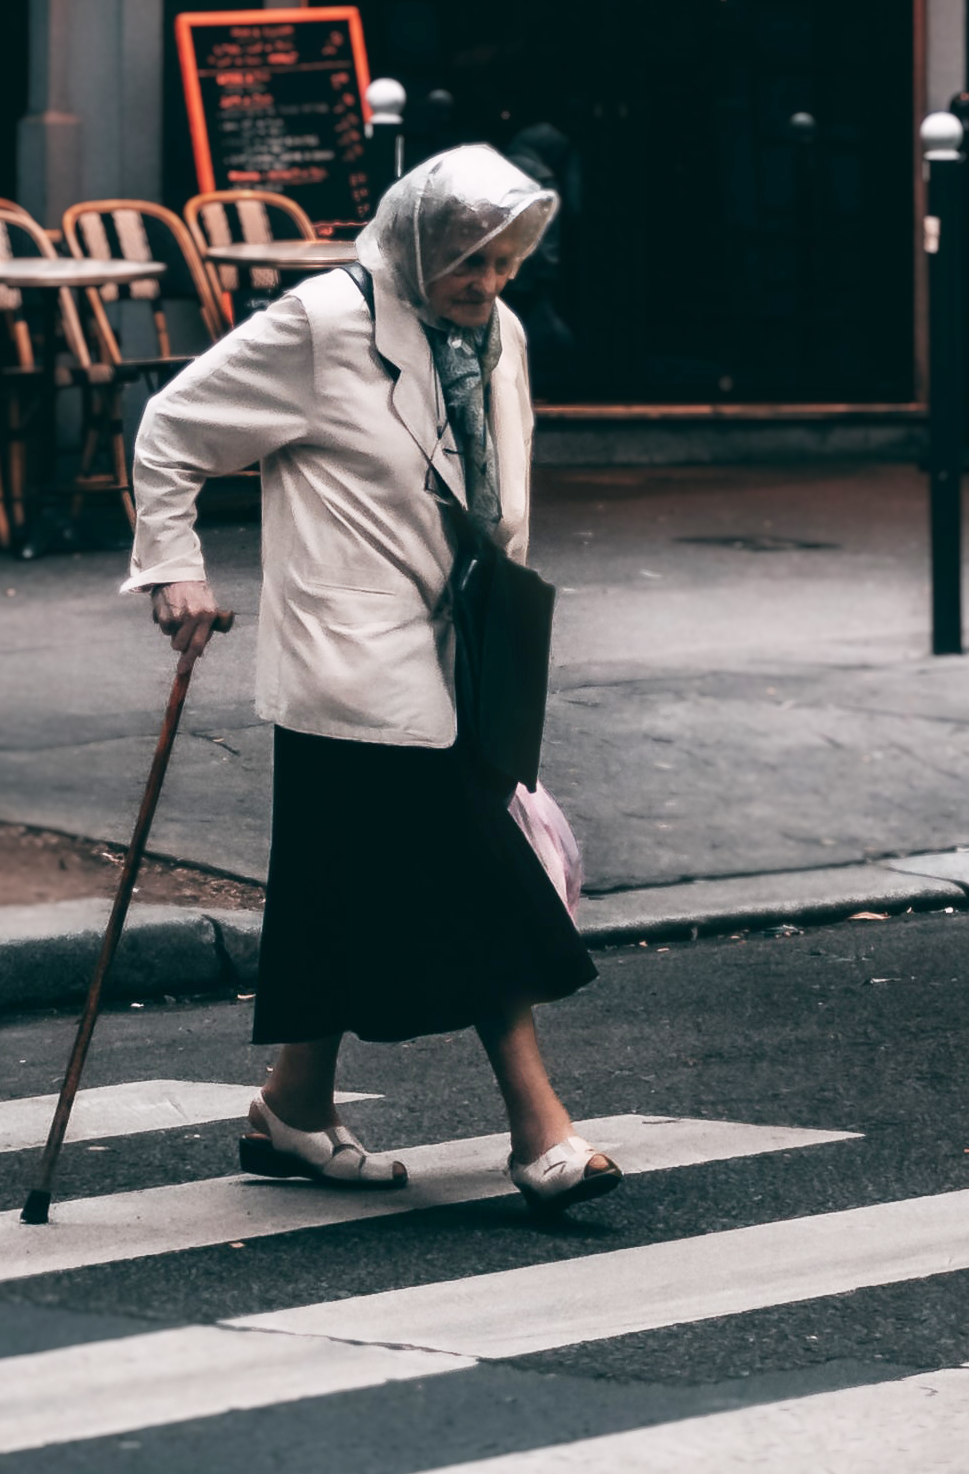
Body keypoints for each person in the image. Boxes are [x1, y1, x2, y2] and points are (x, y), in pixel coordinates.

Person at [121, 145, 617, 1212]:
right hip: (352, 661)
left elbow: (498, 487)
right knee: (482, 872)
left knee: (333, 893)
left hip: (465, 654)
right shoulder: (322, 322)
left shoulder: (500, 333)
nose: (487, 283)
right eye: (468, 262)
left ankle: (293, 1104)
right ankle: (539, 1128)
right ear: (414, 246)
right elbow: (169, 428)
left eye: (504, 262)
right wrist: (174, 567)